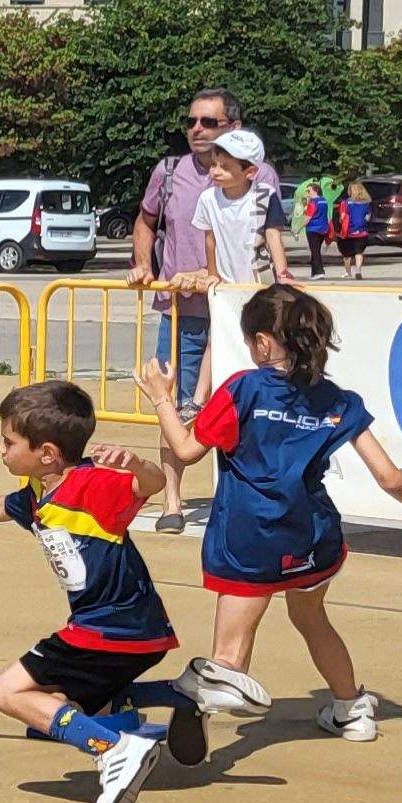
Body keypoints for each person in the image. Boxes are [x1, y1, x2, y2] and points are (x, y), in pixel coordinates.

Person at [135, 287, 402, 751]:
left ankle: (215, 697)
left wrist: (161, 398)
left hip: (248, 536)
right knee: (312, 617)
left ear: (261, 343)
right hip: (311, 534)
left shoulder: (243, 388)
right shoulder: (336, 398)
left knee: (230, 648)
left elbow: (186, 450)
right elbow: (389, 475)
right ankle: (351, 710)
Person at [0, 380, 211, 803]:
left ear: (47, 453)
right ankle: (181, 696)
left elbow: (148, 485)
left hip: (110, 629)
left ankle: (114, 750)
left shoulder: (94, 487)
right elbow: (0, 507)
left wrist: (136, 463)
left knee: (11, 692)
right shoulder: (40, 493)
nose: (0, 450)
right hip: (134, 631)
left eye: (8, 442)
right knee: (60, 709)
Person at [128, 88, 279, 534]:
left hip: (243, 314)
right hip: (182, 311)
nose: (196, 129)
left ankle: (238, 498)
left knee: (248, 405)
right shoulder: (169, 170)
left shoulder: (259, 174)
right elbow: (145, 220)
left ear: (234, 127)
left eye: (208, 123)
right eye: (191, 121)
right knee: (173, 403)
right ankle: (173, 502)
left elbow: (263, 237)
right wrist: (142, 264)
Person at [182, 131, 292, 294]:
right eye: (214, 164)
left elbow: (273, 236)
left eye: (225, 167)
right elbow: (210, 240)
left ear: (250, 172)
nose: (216, 172)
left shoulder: (265, 195)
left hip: (262, 283)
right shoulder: (208, 198)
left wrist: (283, 274)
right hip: (227, 285)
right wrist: (212, 274)